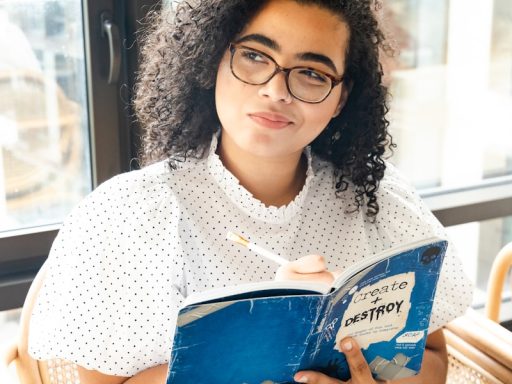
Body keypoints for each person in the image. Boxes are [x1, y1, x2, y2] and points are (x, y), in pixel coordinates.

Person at [27, 0, 473, 383]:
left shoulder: (378, 201)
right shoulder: (128, 215)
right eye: (256, 57)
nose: (276, 90)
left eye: (312, 73)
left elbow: (432, 359)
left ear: (340, 97)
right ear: (212, 60)